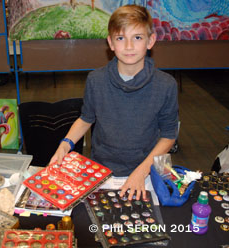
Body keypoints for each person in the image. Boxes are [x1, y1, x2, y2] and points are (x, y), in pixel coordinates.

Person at [49, 5, 179, 201]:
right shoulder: (96, 79)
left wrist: (141, 172)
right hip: (100, 171)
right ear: (110, 43)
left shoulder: (166, 85)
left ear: (150, 41)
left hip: (145, 170)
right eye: (120, 38)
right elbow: (86, 119)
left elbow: (169, 136)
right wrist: (65, 144)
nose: (128, 46)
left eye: (137, 37)